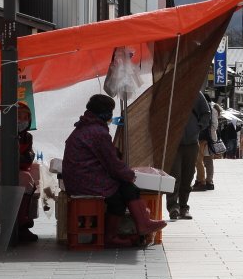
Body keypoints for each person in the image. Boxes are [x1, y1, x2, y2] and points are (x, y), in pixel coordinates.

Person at [63, 94, 166, 247]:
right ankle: (133, 227)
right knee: (126, 188)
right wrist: (129, 174)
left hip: (77, 180)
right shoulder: (98, 132)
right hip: (85, 181)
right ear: (107, 113)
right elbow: (112, 164)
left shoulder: (83, 127)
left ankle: (131, 228)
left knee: (121, 192)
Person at [0, 101, 38, 242]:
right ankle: (21, 220)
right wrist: (18, 159)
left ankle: (21, 225)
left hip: (16, 174)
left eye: (26, 117)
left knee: (26, 178)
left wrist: (13, 158)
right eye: (19, 116)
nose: (22, 120)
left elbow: (28, 160)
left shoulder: (27, 137)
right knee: (25, 177)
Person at [166, 92, 210, 219]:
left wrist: (199, 126)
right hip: (173, 143)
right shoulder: (170, 89)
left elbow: (206, 112)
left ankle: (184, 206)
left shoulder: (196, 93)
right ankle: (173, 206)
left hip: (192, 141)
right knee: (174, 175)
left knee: (188, 176)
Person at [195, 93, 219, 191]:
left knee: (205, 160)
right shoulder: (206, 109)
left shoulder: (211, 110)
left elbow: (214, 125)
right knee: (203, 160)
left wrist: (209, 135)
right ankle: (205, 180)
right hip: (206, 137)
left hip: (207, 137)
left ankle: (206, 181)